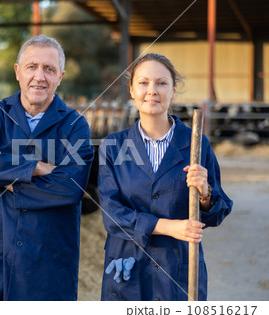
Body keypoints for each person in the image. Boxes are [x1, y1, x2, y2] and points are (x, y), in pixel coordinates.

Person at [0, 35, 94, 301]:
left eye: (49, 69)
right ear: (17, 72)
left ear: (60, 77)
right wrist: (36, 167)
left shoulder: (74, 125)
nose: (39, 76)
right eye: (31, 66)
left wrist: (5, 177)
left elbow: (71, 187)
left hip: (49, 263)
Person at [98, 53, 233, 301]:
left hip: (178, 270)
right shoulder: (112, 146)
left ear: (173, 90)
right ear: (131, 90)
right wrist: (170, 227)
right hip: (128, 268)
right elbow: (111, 214)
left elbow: (219, 212)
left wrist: (205, 193)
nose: (152, 91)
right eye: (143, 83)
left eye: (161, 83)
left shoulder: (196, 144)